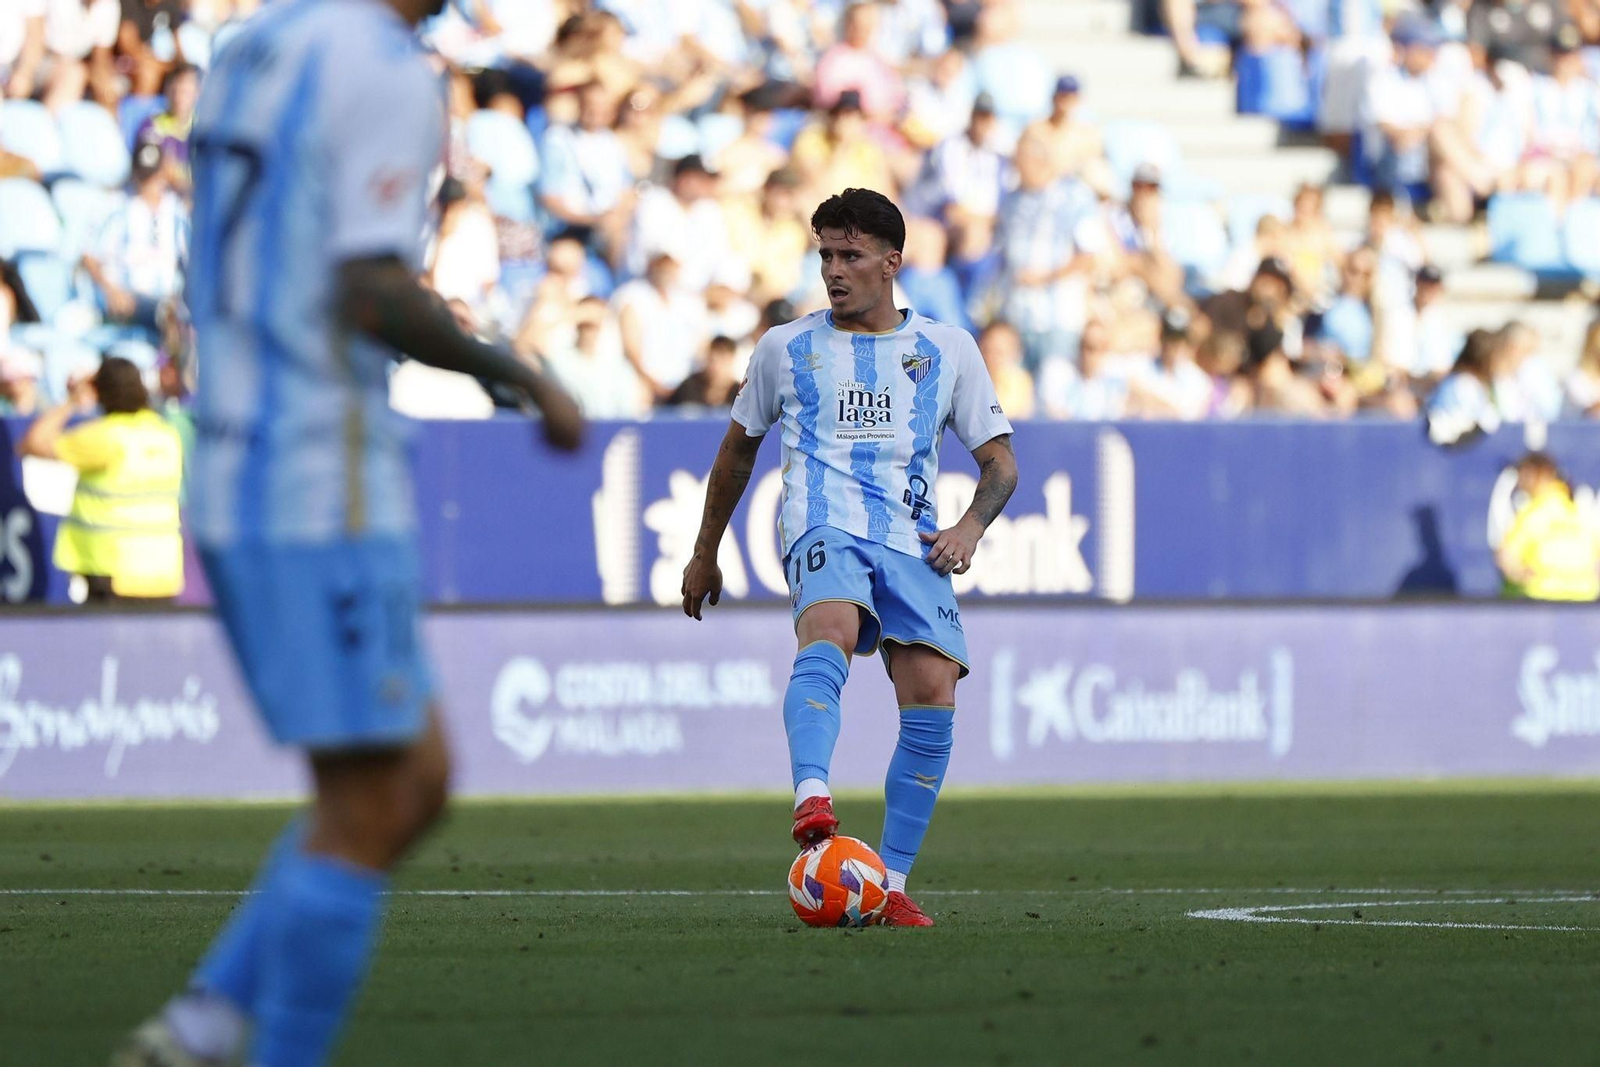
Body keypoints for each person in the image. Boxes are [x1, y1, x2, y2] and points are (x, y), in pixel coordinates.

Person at [111, 1, 583, 1064]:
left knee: (402, 783)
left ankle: (200, 1026)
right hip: (315, 467)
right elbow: (365, 288)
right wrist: (517, 372)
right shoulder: (379, 67)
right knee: (383, 793)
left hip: (239, 445)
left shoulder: (256, 43)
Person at [680, 188, 1017, 927]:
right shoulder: (784, 347)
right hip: (820, 524)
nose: (833, 269)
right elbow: (736, 453)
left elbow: (1000, 465)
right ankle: (812, 797)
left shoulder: (947, 349)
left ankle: (888, 883)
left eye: (850, 255)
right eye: (825, 254)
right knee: (829, 625)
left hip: (912, 540)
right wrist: (705, 552)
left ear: (891, 262)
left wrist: (968, 527)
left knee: (933, 690)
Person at [17, 356, 182, 600]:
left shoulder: (105, 438)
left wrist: (73, 400)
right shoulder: (166, 435)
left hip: (113, 572)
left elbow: (33, 443)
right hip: (163, 573)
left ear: (99, 391)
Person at [1497, 452, 1600, 601]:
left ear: (1538, 474)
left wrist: (1523, 577)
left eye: (1523, 473)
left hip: (1541, 601)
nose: (1520, 481)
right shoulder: (1579, 509)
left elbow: (1506, 558)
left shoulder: (1532, 513)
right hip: (1586, 599)